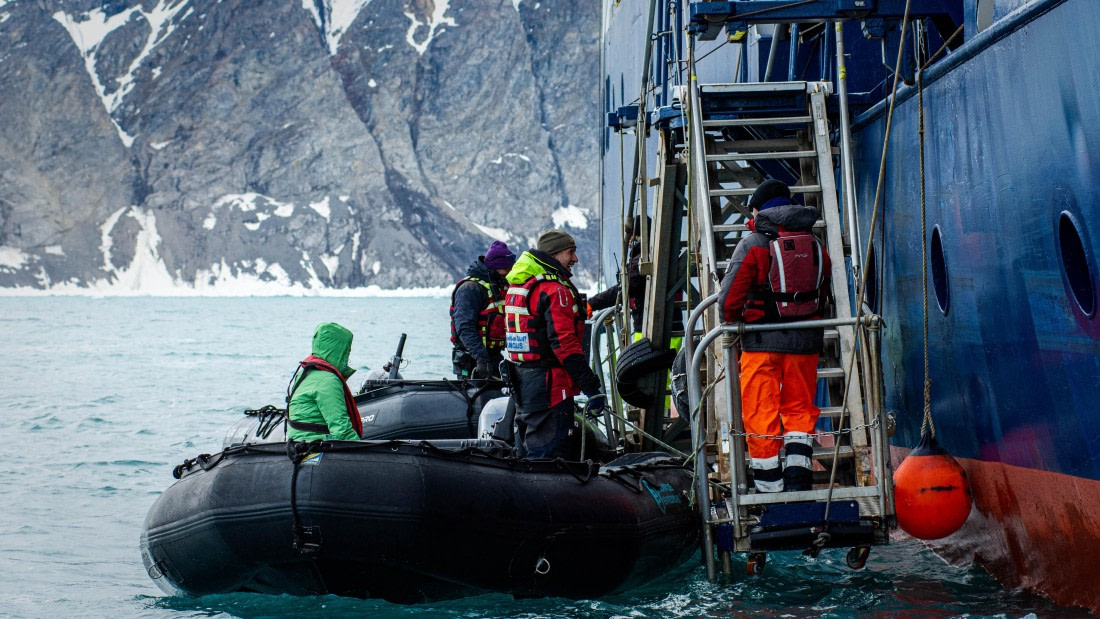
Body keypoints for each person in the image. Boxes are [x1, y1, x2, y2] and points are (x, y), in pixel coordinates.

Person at [718, 179, 831, 492]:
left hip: (760, 343)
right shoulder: (815, 242)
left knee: (761, 414)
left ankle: (770, 492)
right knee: (799, 412)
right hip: (805, 343)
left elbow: (728, 300)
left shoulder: (754, 243)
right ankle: (799, 483)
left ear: (757, 209)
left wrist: (734, 324)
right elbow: (824, 287)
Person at [503, 228, 606, 459]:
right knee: (551, 459)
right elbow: (565, 345)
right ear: (555, 254)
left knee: (528, 454)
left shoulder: (520, 286)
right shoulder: (554, 290)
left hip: (524, 390)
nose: (575, 259)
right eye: (571, 252)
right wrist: (592, 388)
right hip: (551, 391)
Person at [286, 322, 363, 442]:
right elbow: (342, 430)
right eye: (347, 352)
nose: (348, 358)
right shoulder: (328, 380)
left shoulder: (304, 373)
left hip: (299, 443)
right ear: (339, 351)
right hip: (317, 444)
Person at [450, 240, 516, 379]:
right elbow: (464, 327)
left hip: (494, 356)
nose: (510, 272)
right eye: (507, 269)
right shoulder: (469, 289)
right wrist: (481, 358)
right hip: (470, 358)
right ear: (496, 267)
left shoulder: (499, 286)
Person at [587, 215, 648, 333]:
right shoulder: (647, 255)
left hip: (651, 329)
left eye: (631, 237)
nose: (629, 242)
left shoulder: (643, 258)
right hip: (652, 325)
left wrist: (593, 303)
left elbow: (626, 287)